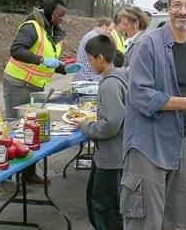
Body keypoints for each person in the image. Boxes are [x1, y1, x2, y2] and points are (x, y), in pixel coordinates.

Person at [121, 0, 186, 230]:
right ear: (168, 8)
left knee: (176, 220)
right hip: (147, 146)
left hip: (179, 145)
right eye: (177, 4)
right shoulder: (147, 45)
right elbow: (140, 95)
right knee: (145, 222)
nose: (182, 11)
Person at [1, 0, 82, 192]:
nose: (62, 18)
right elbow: (16, 50)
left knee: (31, 130)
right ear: (49, 12)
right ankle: (3, 179)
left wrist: (64, 68)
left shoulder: (52, 33)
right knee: (14, 130)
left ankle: (28, 174)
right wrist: (42, 59)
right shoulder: (32, 27)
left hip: (36, 88)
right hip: (18, 84)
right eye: (59, 15)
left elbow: (50, 63)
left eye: (64, 15)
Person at [71, 35, 128, 230]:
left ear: (100, 58)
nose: (89, 62)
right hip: (112, 154)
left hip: (112, 157)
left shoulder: (111, 84)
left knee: (106, 208)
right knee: (99, 201)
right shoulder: (118, 77)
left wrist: (85, 126)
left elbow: (111, 125)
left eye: (90, 58)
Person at [73, 17, 114, 82]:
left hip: (85, 77)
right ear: (104, 27)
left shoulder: (92, 35)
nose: (110, 33)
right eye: (110, 30)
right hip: (87, 78)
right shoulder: (94, 38)